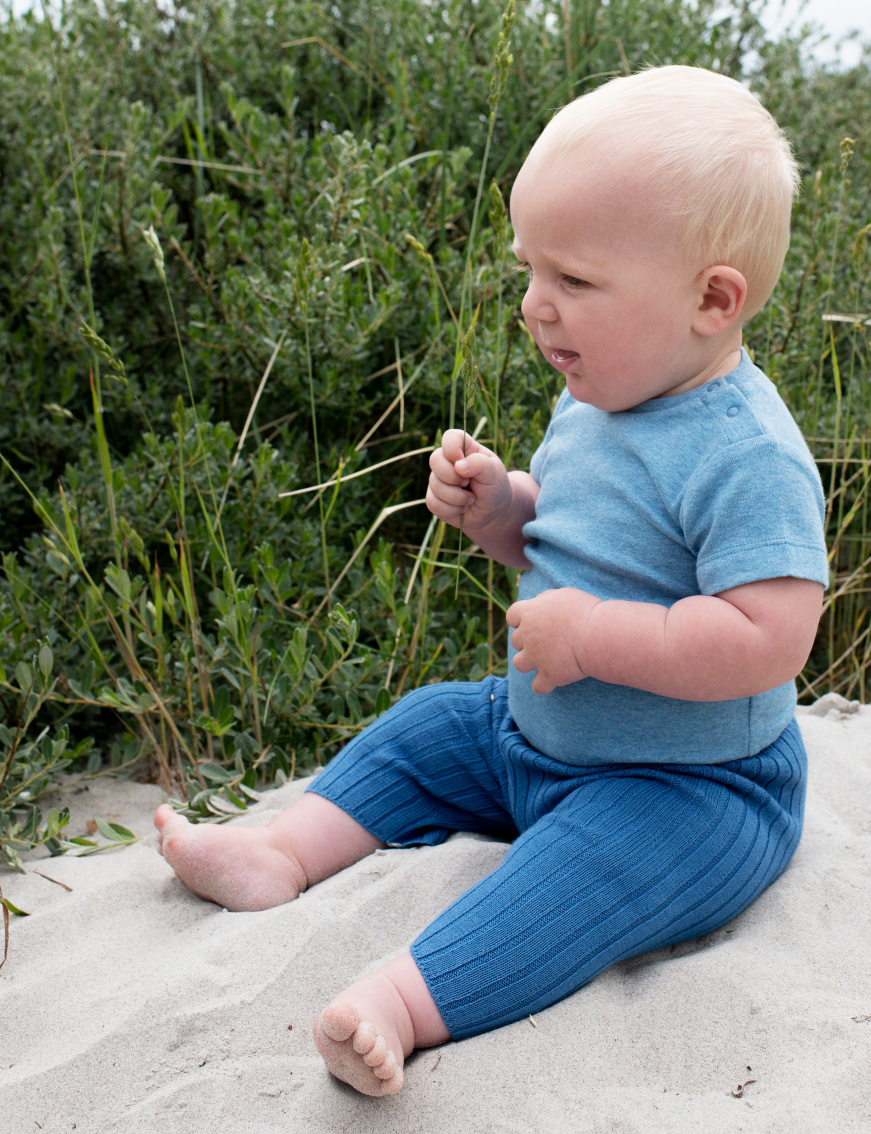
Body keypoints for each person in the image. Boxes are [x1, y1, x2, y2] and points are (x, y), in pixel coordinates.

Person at [154, 65, 829, 1098]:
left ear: (712, 298)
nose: (534, 305)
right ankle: (282, 852)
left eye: (575, 281)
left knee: (574, 878)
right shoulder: (598, 394)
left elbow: (768, 639)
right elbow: (563, 540)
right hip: (534, 740)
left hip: (693, 791)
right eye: (530, 270)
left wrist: (595, 638)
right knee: (430, 725)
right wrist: (501, 508)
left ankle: (402, 1002)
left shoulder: (748, 455)